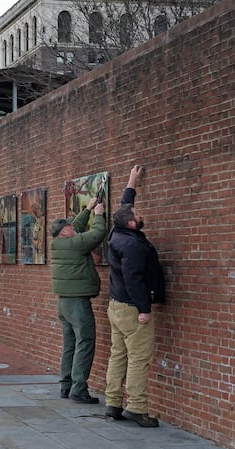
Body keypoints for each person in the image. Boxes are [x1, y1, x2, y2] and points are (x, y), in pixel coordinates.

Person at [104, 165, 166, 427]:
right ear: (132, 223)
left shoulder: (116, 233)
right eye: (138, 215)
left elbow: (124, 205)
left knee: (118, 355)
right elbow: (134, 279)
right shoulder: (132, 245)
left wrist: (132, 181)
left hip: (116, 306)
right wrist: (144, 308)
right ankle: (137, 408)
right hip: (132, 308)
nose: (141, 216)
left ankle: (113, 403)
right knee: (139, 359)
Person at [49, 196, 107, 404]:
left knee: (70, 344)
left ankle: (66, 385)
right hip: (77, 303)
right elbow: (98, 234)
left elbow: (76, 226)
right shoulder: (74, 244)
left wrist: (88, 209)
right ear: (65, 232)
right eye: (69, 227)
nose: (73, 227)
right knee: (85, 342)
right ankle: (79, 389)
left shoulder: (59, 243)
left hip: (64, 302)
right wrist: (99, 215)